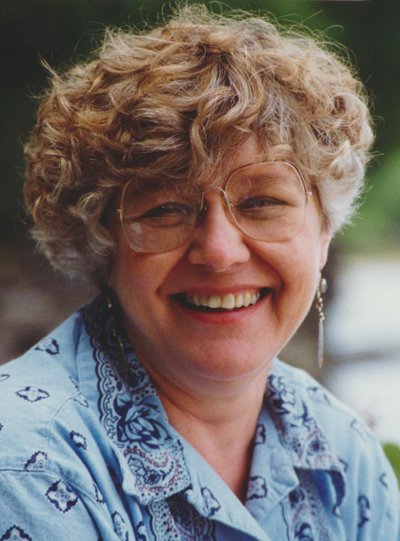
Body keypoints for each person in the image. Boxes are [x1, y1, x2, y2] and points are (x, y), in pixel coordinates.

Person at [0, 5, 398, 540]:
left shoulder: (344, 452)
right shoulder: (25, 465)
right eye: (165, 210)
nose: (219, 251)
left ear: (324, 231)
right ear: (102, 246)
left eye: (261, 202)